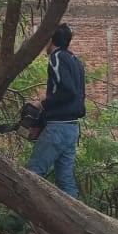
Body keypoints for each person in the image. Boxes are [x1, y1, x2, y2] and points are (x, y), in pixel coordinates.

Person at [27, 23, 86, 199]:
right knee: (65, 179)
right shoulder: (75, 60)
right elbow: (75, 94)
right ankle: (76, 222)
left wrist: (41, 105)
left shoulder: (57, 57)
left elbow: (67, 91)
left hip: (58, 128)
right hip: (71, 128)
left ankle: (15, 220)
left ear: (52, 40)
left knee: (33, 174)